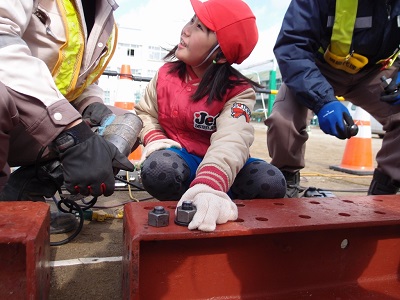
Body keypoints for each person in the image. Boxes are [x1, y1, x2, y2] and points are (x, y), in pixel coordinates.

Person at [135, 0, 286, 232]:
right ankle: (186, 208)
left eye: (200, 28)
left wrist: (210, 184)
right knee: (159, 168)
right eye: (191, 21)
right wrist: (154, 137)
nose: (186, 29)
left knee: (271, 182)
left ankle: (218, 205)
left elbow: (232, 139)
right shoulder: (165, 75)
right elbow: (145, 113)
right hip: (181, 160)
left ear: (222, 56)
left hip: (222, 166)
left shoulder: (239, 91)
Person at [0, 0, 138, 232]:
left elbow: (81, 79)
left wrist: (90, 103)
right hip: (18, 111)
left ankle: (21, 199)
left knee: (124, 123)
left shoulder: (104, 15)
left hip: (40, 122)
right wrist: (72, 133)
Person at [265, 0, 400, 197]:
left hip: (374, 72)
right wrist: (323, 100)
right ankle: (287, 182)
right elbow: (292, 47)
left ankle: (385, 192)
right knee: (283, 120)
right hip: (318, 69)